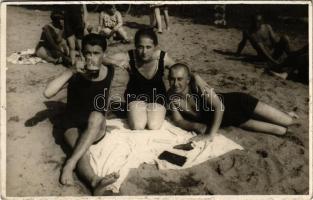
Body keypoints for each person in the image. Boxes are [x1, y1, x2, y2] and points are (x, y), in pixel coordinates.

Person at [44, 33, 118, 193]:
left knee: (97, 115)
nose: (91, 58)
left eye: (96, 53)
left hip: (96, 125)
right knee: (80, 149)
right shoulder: (76, 73)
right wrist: (71, 71)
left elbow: (115, 60)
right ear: (82, 53)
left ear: (104, 54)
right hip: (72, 124)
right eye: (87, 53)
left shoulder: (110, 70)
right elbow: (48, 93)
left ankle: (69, 164)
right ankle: (94, 181)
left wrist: (114, 60)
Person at [167, 63, 298, 143]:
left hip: (238, 103)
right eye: (172, 79)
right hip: (232, 120)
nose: (176, 83)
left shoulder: (196, 82)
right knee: (280, 131)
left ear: (188, 79)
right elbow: (178, 121)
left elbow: (219, 106)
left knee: (289, 122)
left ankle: (286, 114)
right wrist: (196, 126)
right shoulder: (171, 96)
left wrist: (210, 134)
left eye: (180, 79)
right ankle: (281, 114)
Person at [103, 28, 175, 130]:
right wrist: (116, 62)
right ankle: (130, 111)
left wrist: (196, 79)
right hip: (135, 97)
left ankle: (131, 112)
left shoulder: (162, 58)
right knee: (138, 126)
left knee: (153, 126)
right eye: (140, 47)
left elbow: (181, 69)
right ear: (135, 46)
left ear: (155, 46)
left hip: (158, 98)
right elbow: (102, 58)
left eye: (148, 47)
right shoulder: (130, 56)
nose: (144, 52)